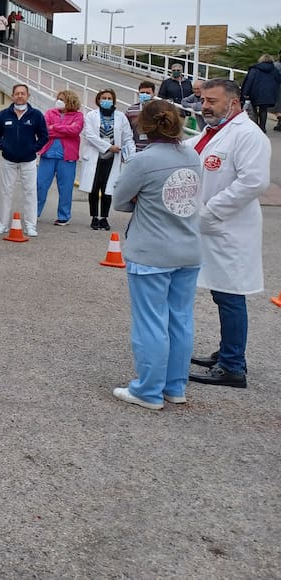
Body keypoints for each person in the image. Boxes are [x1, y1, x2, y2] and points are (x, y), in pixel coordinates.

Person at [110, 100, 202, 410]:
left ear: (143, 125)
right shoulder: (192, 155)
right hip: (188, 248)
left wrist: (142, 201)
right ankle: (175, 386)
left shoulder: (142, 160)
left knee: (150, 322)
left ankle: (148, 390)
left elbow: (120, 200)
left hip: (152, 251)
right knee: (181, 320)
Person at [186, 79, 271, 389]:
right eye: (204, 100)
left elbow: (253, 183)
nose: (205, 105)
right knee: (222, 293)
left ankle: (233, 366)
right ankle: (227, 354)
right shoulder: (217, 133)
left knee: (231, 295)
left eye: (211, 101)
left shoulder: (248, 135)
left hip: (229, 228)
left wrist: (210, 210)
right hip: (215, 228)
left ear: (233, 104)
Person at [0, 84, 48, 237]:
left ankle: (30, 226)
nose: (20, 96)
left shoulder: (36, 115)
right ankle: (2, 225)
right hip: (8, 160)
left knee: (30, 192)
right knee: (6, 192)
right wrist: (4, 147)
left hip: (28, 160)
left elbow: (44, 136)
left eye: (23, 93)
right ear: (12, 95)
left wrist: (33, 149)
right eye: (17, 93)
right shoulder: (3, 115)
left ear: (28, 96)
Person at [78, 89, 135, 231]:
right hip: (96, 156)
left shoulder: (121, 117)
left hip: (113, 158)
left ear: (113, 100)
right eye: (104, 98)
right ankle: (94, 218)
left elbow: (128, 137)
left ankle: (104, 218)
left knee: (107, 189)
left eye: (109, 98)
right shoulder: (91, 115)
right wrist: (109, 147)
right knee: (94, 187)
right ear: (98, 100)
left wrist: (130, 155)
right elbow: (90, 135)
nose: (107, 100)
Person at [36, 90, 85, 226]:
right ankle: (33, 213)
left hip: (67, 157)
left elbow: (75, 131)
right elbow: (45, 131)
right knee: (40, 185)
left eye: (62, 99)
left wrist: (55, 127)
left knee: (66, 188)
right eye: (58, 98)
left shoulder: (78, 115)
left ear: (69, 101)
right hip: (48, 155)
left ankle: (63, 216)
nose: (59, 101)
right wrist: (64, 129)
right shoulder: (50, 113)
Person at [241, 53, 279, 131]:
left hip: (255, 93)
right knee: (263, 110)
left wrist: (245, 93)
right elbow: (278, 80)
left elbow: (249, 81)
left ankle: (255, 126)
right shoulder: (274, 70)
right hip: (268, 94)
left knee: (254, 109)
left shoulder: (255, 69)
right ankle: (263, 128)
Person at [125, 80, 158, 151]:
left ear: (153, 94)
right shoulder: (131, 110)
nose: (145, 94)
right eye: (142, 92)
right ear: (138, 93)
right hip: (136, 148)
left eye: (148, 93)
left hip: (154, 148)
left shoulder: (159, 110)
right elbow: (126, 129)